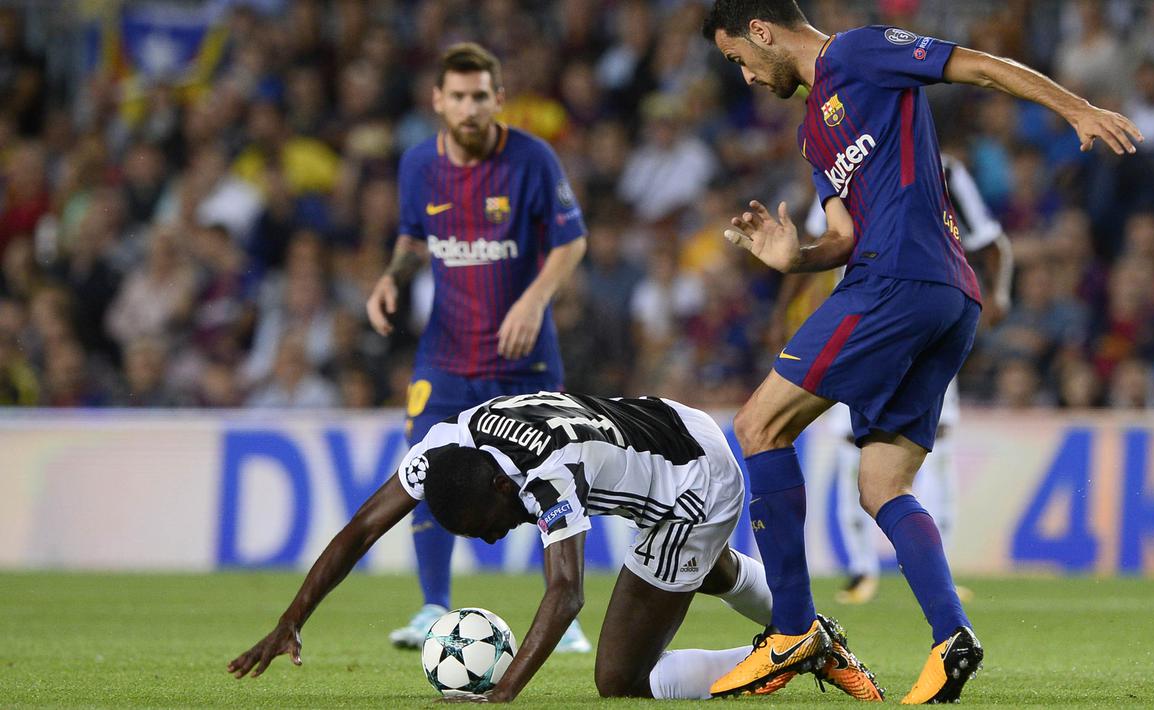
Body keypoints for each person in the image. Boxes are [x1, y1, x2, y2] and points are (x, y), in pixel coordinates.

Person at [701, 1, 1142, 702]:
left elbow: (982, 69)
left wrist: (1074, 107)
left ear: (760, 30)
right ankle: (950, 636)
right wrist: (795, 258)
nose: (746, 77)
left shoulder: (859, 51)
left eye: (737, 58)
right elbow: (840, 236)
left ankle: (790, 630)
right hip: (943, 296)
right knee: (881, 485)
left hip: (897, 279)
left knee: (757, 427)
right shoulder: (814, 133)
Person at [226, 391, 882, 702]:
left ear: (499, 484)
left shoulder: (543, 473)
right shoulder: (443, 445)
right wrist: (289, 622)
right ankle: (804, 632)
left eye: (492, 521)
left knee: (620, 679)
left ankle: (792, 651)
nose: (493, 534)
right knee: (698, 571)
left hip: (694, 479)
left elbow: (565, 593)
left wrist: (501, 693)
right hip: (671, 419)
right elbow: (361, 529)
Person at [364, 43, 590, 653]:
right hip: (446, 355)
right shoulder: (417, 165)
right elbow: (413, 238)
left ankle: (563, 615)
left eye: (479, 96)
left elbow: (571, 241)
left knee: (550, 480)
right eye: (457, 96)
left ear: (498, 98)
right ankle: (432, 607)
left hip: (525, 358)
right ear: (438, 100)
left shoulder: (531, 159)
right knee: (425, 470)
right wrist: (391, 277)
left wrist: (535, 299)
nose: (468, 107)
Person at [804, 154, 1013, 605]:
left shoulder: (949, 172)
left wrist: (999, 294)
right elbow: (818, 243)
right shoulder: (843, 162)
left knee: (935, 447)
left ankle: (941, 567)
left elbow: (991, 240)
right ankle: (861, 571)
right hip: (861, 322)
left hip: (926, 319)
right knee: (848, 450)